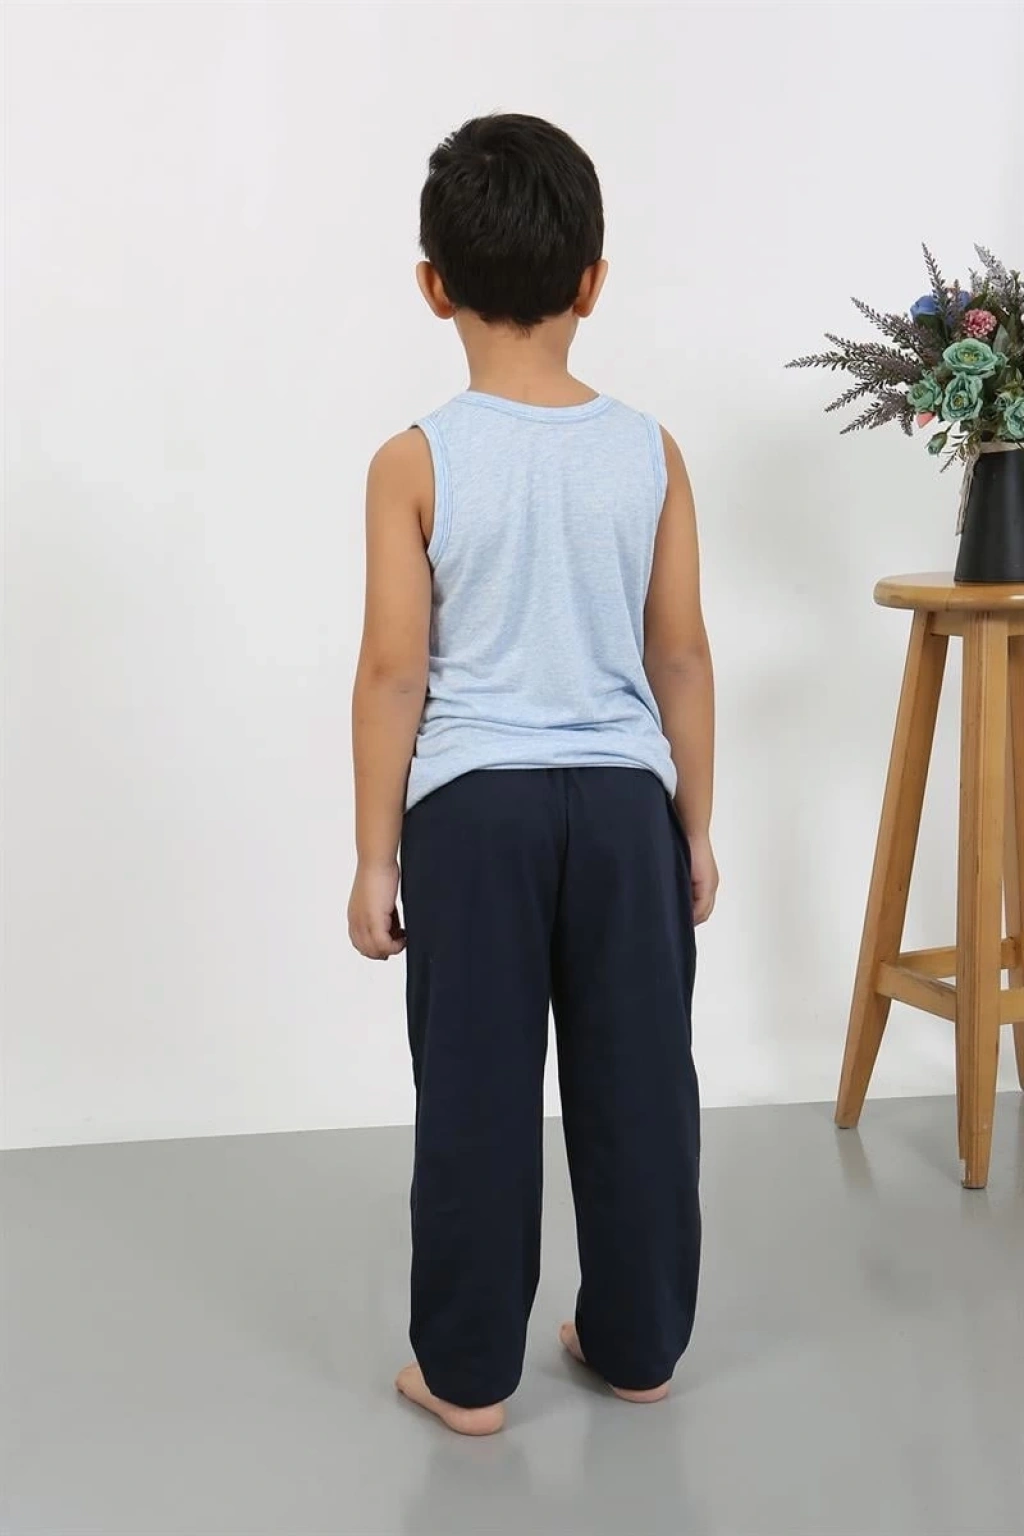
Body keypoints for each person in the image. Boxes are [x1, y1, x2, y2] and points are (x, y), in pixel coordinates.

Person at [347, 114, 717, 1437]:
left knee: (477, 1090)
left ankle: (466, 1377)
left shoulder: (414, 461)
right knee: (639, 1085)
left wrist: (375, 855)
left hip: (473, 811)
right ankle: (637, 1346)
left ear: (433, 284)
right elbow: (680, 655)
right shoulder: (649, 450)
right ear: (593, 281)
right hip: (623, 807)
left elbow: (394, 671)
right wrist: (694, 828)